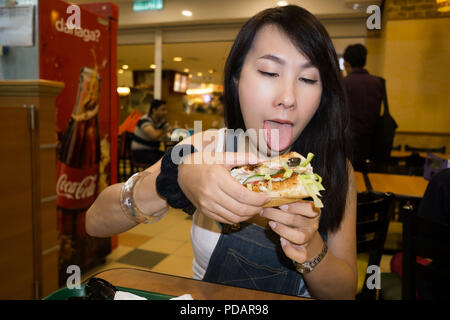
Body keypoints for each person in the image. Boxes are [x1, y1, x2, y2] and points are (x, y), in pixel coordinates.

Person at [86, 5, 357, 299]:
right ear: (237, 77)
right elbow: (95, 222)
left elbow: (343, 293)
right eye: (269, 72)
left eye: (308, 79)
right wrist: (172, 179)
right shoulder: (208, 147)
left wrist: (310, 248)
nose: (288, 98)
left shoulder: (334, 168)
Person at [343, 44, 385, 171]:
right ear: (365, 61)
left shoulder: (344, 83)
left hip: (347, 142)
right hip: (372, 143)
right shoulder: (378, 82)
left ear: (346, 63)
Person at [131, 99, 171, 166]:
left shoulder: (161, 121)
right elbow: (153, 135)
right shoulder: (145, 120)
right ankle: (159, 176)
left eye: (165, 110)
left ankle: (165, 176)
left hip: (152, 151)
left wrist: (166, 130)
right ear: (154, 110)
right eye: (163, 109)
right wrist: (164, 130)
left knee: (171, 157)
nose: (165, 112)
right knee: (165, 160)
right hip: (140, 152)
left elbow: (170, 130)